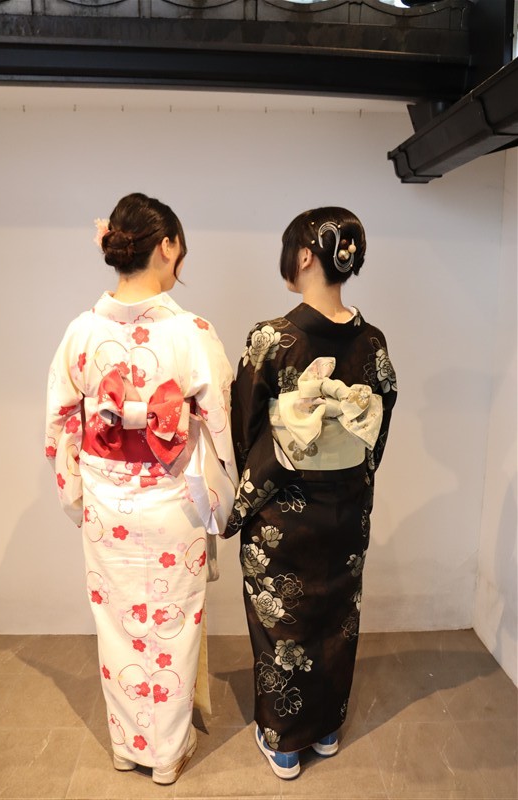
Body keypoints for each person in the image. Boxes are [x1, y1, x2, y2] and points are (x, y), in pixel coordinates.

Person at [45, 193, 237, 784]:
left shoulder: (80, 332)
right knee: (173, 625)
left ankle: (127, 746)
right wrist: (222, 501)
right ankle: (166, 754)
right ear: (167, 246)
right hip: (174, 501)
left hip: (108, 505)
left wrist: (77, 495)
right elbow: (221, 427)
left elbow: (59, 424)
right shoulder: (193, 333)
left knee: (117, 625)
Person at [223, 206, 397, 779]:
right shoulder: (372, 341)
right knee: (337, 615)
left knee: (282, 623)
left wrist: (257, 476)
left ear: (303, 256)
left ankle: (285, 741)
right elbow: (378, 428)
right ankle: (325, 729)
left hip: (282, 509)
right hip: (346, 507)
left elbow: (245, 424)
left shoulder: (271, 338)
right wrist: (349, 477)